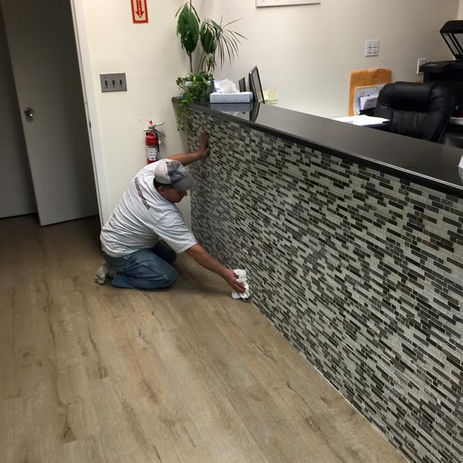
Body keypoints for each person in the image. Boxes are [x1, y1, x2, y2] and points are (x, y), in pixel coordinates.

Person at [95, 132, 245, 295]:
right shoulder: (163, 215)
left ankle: (121, 265)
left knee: (170, 256)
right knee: (167, 276)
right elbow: (193, 250)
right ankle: (117, 275)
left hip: (119, 238)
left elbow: (171, 161)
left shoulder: (146, 175)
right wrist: (226, 274)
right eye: (180, 191)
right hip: (120, 251)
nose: (185, 194)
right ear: (162, 190)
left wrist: (198, 155)